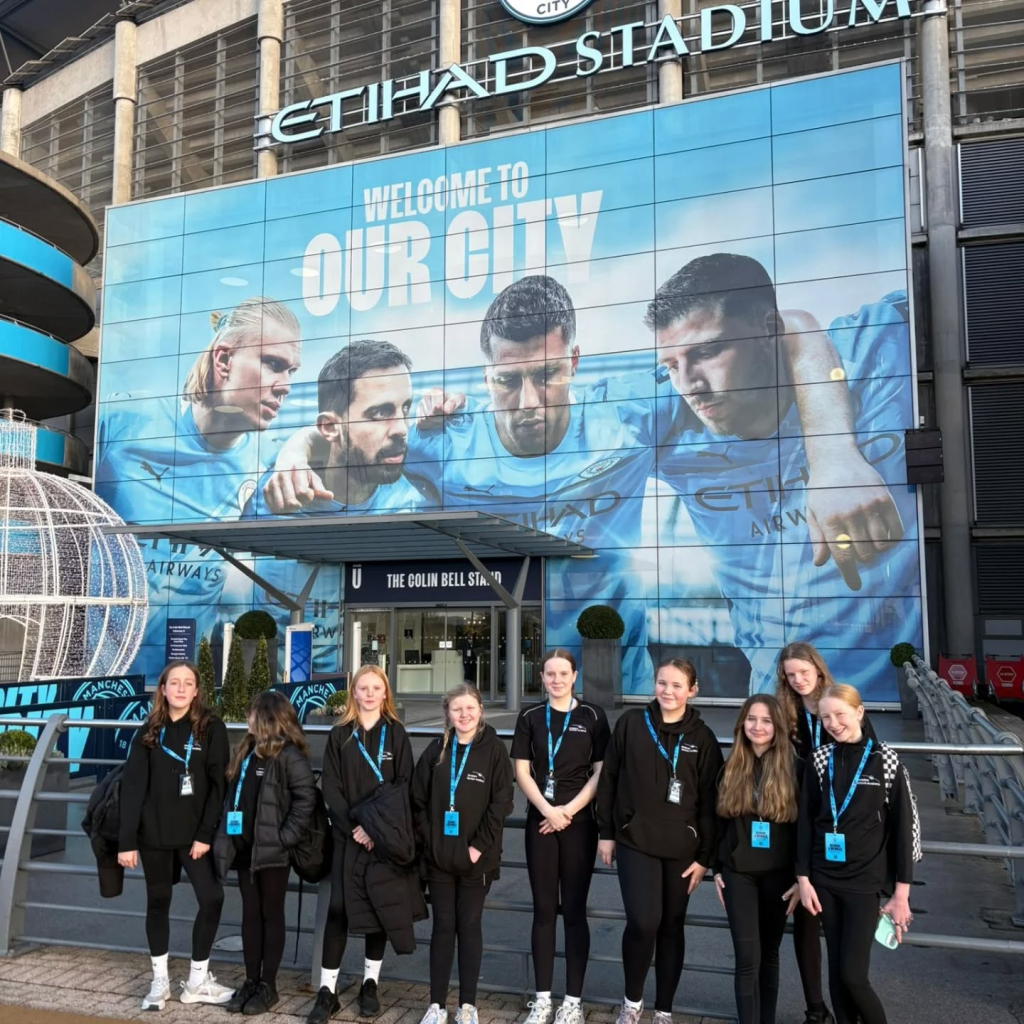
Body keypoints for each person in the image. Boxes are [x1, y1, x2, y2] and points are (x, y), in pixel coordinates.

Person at [648, 253, 921, 697]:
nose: (689, 383)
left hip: (900, 703)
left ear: (768, 330)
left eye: (708, 351)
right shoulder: (671, 427)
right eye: (671, 366)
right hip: (775, 706)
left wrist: (835, 452)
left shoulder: (871, 350)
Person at [95, 297, 303, 682]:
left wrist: (300, 444)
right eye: (273, 364)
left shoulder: (265, 469)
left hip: (186, 689)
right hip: (99, 681)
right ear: (223, 361)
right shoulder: (124, 426)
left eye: (291, 370)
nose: (285, 386)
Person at [595, 657, 724, 1024]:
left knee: (671, 926)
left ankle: (664, 1010)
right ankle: (632, 1003)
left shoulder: (702, 737)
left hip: (683, 850)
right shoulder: (632, 723)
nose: (668, 691)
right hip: (635, 841)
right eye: (662, 683)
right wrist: (606, 833)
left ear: (692, 690)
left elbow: (711, 803)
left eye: (677, 685)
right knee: (643, 921)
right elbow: (610, 778)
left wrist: (704, 856)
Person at [796, 684, 921, 1024]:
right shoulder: (820, 760)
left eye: (840, 714)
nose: (834, 723)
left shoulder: (886, 760)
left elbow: (903, 830)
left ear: (859, 712)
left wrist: (901, 894)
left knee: (853, 974)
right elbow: (806, 823)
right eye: (825, 717)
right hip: (824, 878)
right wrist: (803, 878)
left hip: (864, 882)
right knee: (836, 972)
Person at [117, 660, 232, 1010]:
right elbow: (133, 787)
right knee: (158, 903)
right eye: (174, 682)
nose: (181, 688)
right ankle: (160, 981)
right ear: (163, 689)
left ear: (196, 690)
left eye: (188, 683)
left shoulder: (211, 728)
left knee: (212, 899)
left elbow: (217, 787)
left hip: (194, 838)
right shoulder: (148, 730)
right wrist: (127, 841)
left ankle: (197, 980)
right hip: (153, 835)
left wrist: (205, 834)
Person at [308, 665, 418, 1024]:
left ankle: (370, 984)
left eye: (376, 688)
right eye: (363, 688)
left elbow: (405, 785)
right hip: (347, 836)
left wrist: (375, 830)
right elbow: (332, 789)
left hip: (383, 839)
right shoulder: (340, 734)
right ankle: (327, 991)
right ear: (353, 693)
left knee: (377, 911)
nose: (370, 694)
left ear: (385, 693)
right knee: (338, 910)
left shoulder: (396, 733)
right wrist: (356, 826)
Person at [511, 650, 610, 1024]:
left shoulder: (593, 716)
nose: (556, 680)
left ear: (575, 676)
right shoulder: (530, 716)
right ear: (541, 676)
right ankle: (542, 999)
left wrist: (567, 811)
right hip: (540, 821)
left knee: (573, 912)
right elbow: (521, 771)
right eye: (550, 674)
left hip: (579, 824)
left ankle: (572, 1001)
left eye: (563, 673)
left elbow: (600, 773)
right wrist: (549, 810)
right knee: (542, 911)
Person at [411, 685, 514, 1024]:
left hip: (476, 858)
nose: (464, 714)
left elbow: (502, 804)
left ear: (481, 710)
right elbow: (417, 801)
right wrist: (434, 843)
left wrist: (477, 847)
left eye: (470, 708)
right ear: (448, 714)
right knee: (443, 926)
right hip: (439, 857)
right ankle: (436, 1005)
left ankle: (467, 1004)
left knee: (469, 926)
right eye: (457, 709)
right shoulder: (437, 749)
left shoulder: (494, 750)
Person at [212, 691, 317, 1016]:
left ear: (270, 719)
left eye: (253, 715)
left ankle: (268, 985)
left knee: (271, 915)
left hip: (273, 851)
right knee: (249, 915)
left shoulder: (289, 757)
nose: (247, 721)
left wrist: (283, 838)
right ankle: (251, 980)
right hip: (245, 849)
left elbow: (305, 800)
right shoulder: (246, 752)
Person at [246, 339, 426, 517]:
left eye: (405, 408)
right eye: (379, 413)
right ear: (330, 427)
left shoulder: (418, 490)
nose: (402, 429)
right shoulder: (276, 499)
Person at [714, 695, 802, 1024]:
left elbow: (806, 829)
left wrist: (801, 876)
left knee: (770, 955)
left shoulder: (797, 769)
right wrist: (717, 869)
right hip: (739, 874)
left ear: (777, 726)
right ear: (742, 724)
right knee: (747, 956)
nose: (758, 726)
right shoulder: (731, 767)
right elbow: (717, 823)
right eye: (752, 719)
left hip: (780, 877)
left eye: (766, 720)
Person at [775, 642, 837, 1024]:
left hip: (838, 823)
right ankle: (815, 1008)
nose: (798, 680)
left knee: (842, 927)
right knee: (806, 922)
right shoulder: (784, 712)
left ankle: (846, 1005)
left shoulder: (839, 706)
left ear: (818, 668)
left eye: (803, 672)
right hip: (797, 823)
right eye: (790, 675)